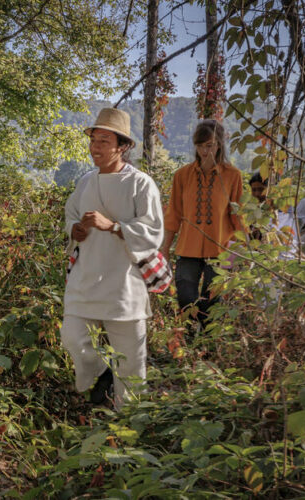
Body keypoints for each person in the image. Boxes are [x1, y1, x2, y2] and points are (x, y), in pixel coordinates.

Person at [61, 107, 164, 408]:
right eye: (93, 140)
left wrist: (115, 226)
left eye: (104, 141)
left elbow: (153, 232)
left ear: (123, 146)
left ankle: (128, 426)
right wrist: (75, 229)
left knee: (131, 365)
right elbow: (70, 216)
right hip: (85, 279)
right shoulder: (85, 182)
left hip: (124, 286)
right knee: (73, 338)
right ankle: (102, 371)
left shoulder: (140, 184)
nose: (95, 147)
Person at [161, 120, 243, 335]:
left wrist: (248, 250)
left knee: (212, 302)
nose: (206, 151)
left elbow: (238, 216)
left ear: (219, 145)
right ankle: (188, 345)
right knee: (186, 298)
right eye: (201, 146)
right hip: (188, 248)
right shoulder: (182, 175)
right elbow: (173, 215)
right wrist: (164, 250)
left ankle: (207, 348)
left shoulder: (233, 176)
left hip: (220, 250)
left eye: (210, 145)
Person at [249, 172, 299, 260]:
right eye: (254, 190)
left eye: (261, 189)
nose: (257, 194)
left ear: (271, 191)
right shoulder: (252, 212)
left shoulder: (284, 213)